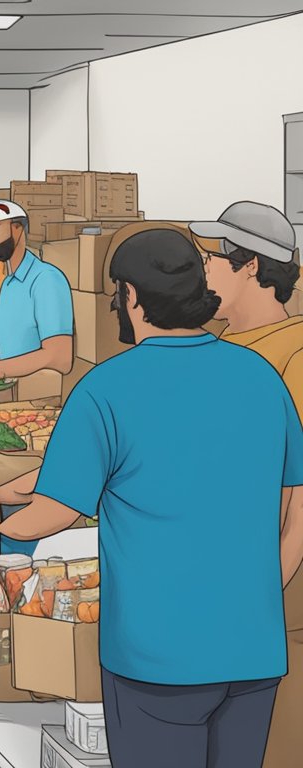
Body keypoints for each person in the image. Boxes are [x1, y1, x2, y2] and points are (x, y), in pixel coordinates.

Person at [0, 230, 303, 768]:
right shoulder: (261, 377)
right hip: (253, 651)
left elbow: (54, 512)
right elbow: (297, 508)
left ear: (130, 297)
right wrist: (258, 592)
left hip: (158, 658)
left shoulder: (106, 388)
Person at [191, 201, 303, 768]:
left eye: (213, 257)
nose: (204, 267)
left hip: (264, 600)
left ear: (253, 266)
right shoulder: (215, 346)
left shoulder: (294, 356)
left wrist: (260, 592)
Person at [0, 200, 73, 379]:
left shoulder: (46, 279)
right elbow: (16, 347)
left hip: (36, 395)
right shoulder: (8, 284)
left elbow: (59, 358)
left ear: (17, 228)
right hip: (11, 387)